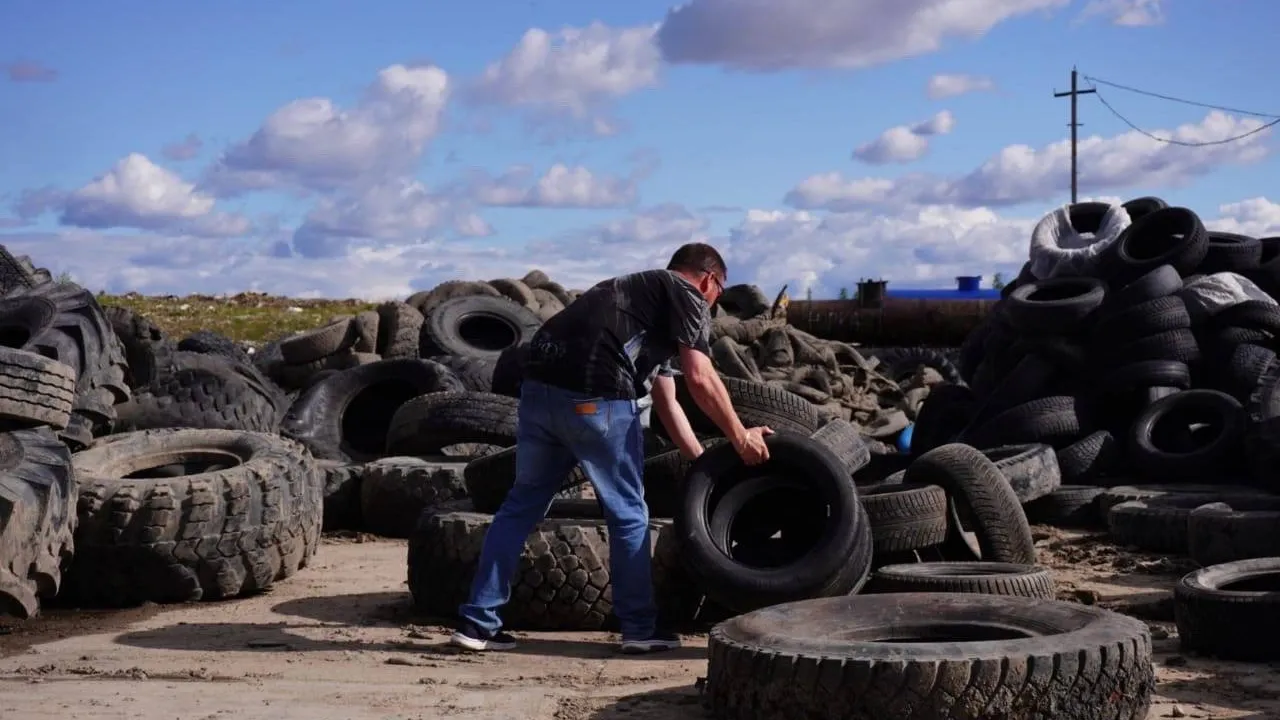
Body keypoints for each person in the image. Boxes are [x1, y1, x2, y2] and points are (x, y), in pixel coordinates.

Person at [449, 242, 774, 654]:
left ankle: (476, 625)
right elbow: (701, 377)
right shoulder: (687, 294)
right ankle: (639, 629)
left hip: (537, 395)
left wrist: (704, 464)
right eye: (718, 296)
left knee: (520, 507)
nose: (713, 306)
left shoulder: (633, 296)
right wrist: (740, 435)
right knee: (628, 515)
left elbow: (667, 399)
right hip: (595, 399)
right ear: (709, 280)